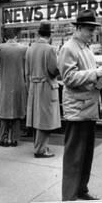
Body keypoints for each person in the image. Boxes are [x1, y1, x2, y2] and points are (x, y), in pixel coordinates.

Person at [57, 10, 102, 201]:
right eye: (88, 29)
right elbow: (68, 78)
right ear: (78, 28)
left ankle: (81, 189)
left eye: (93, 30)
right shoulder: (69, 48)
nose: (91, 33)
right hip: (78, 109)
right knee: (74, 156)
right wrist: (95, 73)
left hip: (88, 107)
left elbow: (85, 75)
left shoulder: (85, 48)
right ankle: (69, 196)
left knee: (86, 154)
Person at [26, 21, 60, 158]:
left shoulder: (30, 48)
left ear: (38, 34)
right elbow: (53, 70)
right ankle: (40, 149)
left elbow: (27, 70)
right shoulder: (50, 49)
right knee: (45, 119)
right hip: (46, 86)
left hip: (33, 86)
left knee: (36, 118)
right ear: (49, 35)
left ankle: (39, 145)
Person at [0, 28, 28, 147]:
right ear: (16, 37)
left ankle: (3, 138)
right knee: (17, 111)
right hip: (19, 83)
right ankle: (13, 138)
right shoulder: (24, 49)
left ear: (4, 37)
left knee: (4, 112)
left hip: (4, 83)